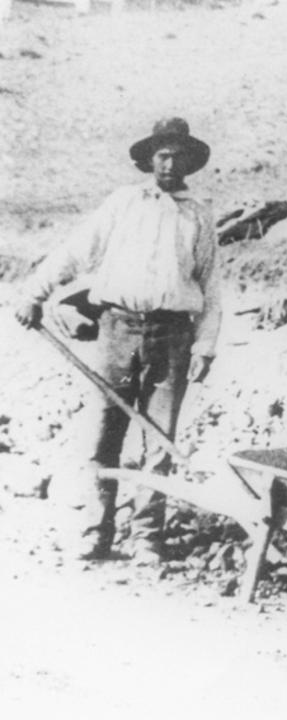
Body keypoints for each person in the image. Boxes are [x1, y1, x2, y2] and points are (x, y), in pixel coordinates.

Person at [14, 117, 222, 561]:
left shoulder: (198, 213)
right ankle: (96, 530)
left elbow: (211, 285)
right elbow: (76, 251)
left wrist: (205, 345)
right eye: (162, 153)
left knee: (160, 436)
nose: (170, 161)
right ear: (149, 159)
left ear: (190, 161)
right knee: (105, 432)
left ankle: (148, 535)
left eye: (178, 154)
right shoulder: (123, 203)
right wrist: (34, 292)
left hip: (173, 336)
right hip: (118, 328)